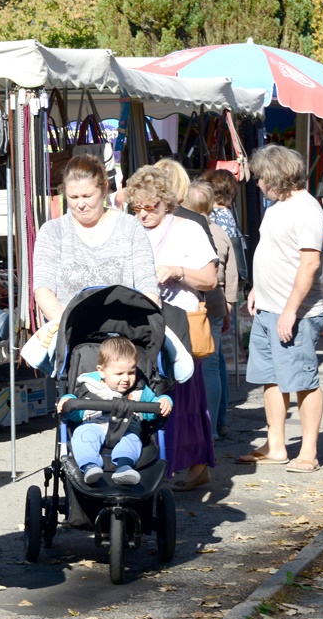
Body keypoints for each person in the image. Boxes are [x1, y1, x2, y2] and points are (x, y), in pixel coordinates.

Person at [124, 164, 218, 490]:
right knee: (149, 394)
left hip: (182, 324)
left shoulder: (188, 229)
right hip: (144, 325)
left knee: (186, 398)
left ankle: (194, 465)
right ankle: (152, 461)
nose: (144, 214)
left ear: (166, 201)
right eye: (138, 208)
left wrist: (177, 270)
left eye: (151, 207)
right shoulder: (131, 231)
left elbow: (209, 279)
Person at [238, 145, 323, 473]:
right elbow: (272, 250)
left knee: (302, 380)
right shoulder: (276, 207)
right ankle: (276, 446)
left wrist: (290, 310)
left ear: (275, 175)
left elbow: (310, 264)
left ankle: (308, 452)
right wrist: (258, 289)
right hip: (268, 308)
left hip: (296, 313)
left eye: (260, 177)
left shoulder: (306, 208)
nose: (257, 183)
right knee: (271, 378)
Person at [33, 154, 158, 324]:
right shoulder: (52, 231)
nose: (80, 204)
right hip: (69, 331)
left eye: (87, 196)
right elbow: (43, 290)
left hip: (124, 334)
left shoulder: (130, 227)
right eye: (73, 197)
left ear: (104, 188)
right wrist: (68, 326)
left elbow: (148, 286)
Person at [59, 337, 173, 485]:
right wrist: (67, 401)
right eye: (119, 374)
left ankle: (124, 467)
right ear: (101, 371)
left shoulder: (139, 389)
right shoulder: (89, 386)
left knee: (132, 440)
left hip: (127, 427)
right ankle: (90, 466)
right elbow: (75, 414)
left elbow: (151, 411)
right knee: (83, 435)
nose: (126, 379)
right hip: (94, 424)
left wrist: (163, 401)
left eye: (131, 372)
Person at [184, 181, 238, 438]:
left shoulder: (186, 230)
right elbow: (233, 272)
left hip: (197, 302)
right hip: (217, 303)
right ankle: (219, 421)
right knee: (214, 366)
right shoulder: (221, 232)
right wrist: (229, 304)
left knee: (202, 367)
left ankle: (206, 424)